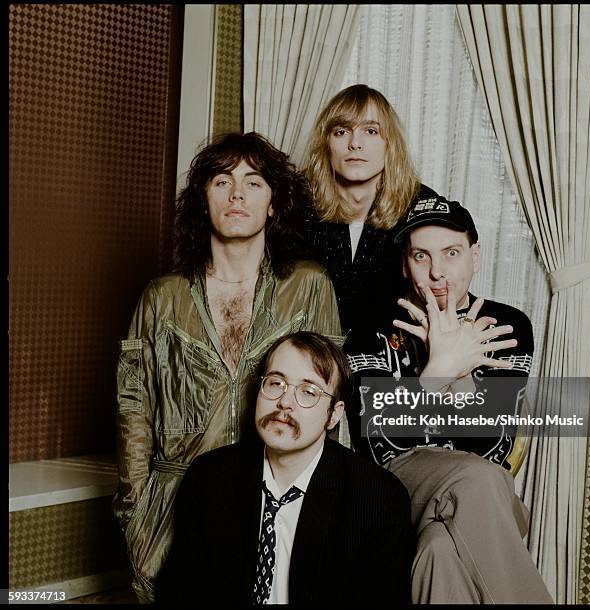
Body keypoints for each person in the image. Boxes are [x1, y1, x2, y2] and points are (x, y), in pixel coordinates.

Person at [112, 133, 344, 602]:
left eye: (253, 182)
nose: (237, 194)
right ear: (204, 197)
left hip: (276, 503)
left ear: (275, 203)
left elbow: (330, 404)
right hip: (171, 513)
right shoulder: (162, 298)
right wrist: (136, 515)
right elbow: (133, 411)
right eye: (223, 180)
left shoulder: (309, 286)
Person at [345, 194, 554, 603]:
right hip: (401, 486)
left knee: (439, 551)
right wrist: (439, 368)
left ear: (475, 257)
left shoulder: (507, 325)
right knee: (478, 479)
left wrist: (460, 374)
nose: (437, 271)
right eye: (421, 256)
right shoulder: (372, 326)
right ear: (405, 264)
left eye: (451, 253)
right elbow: (382, 446)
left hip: (479, 492)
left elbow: (494, 447)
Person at [156, 332, 413, 605]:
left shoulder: (378, 499)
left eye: (308, 392)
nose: (285, 402)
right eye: (276, 383)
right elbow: (181, 591)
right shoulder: (209, 478)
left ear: (334, 414)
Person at [304, 83, 439, 334]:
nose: (355, 143)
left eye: (371, 131)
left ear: (390, 143)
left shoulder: (422, 207)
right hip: (311, 362)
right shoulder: (295, 203)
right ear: (326, 144)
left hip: (394, 361)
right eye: (341, 131)